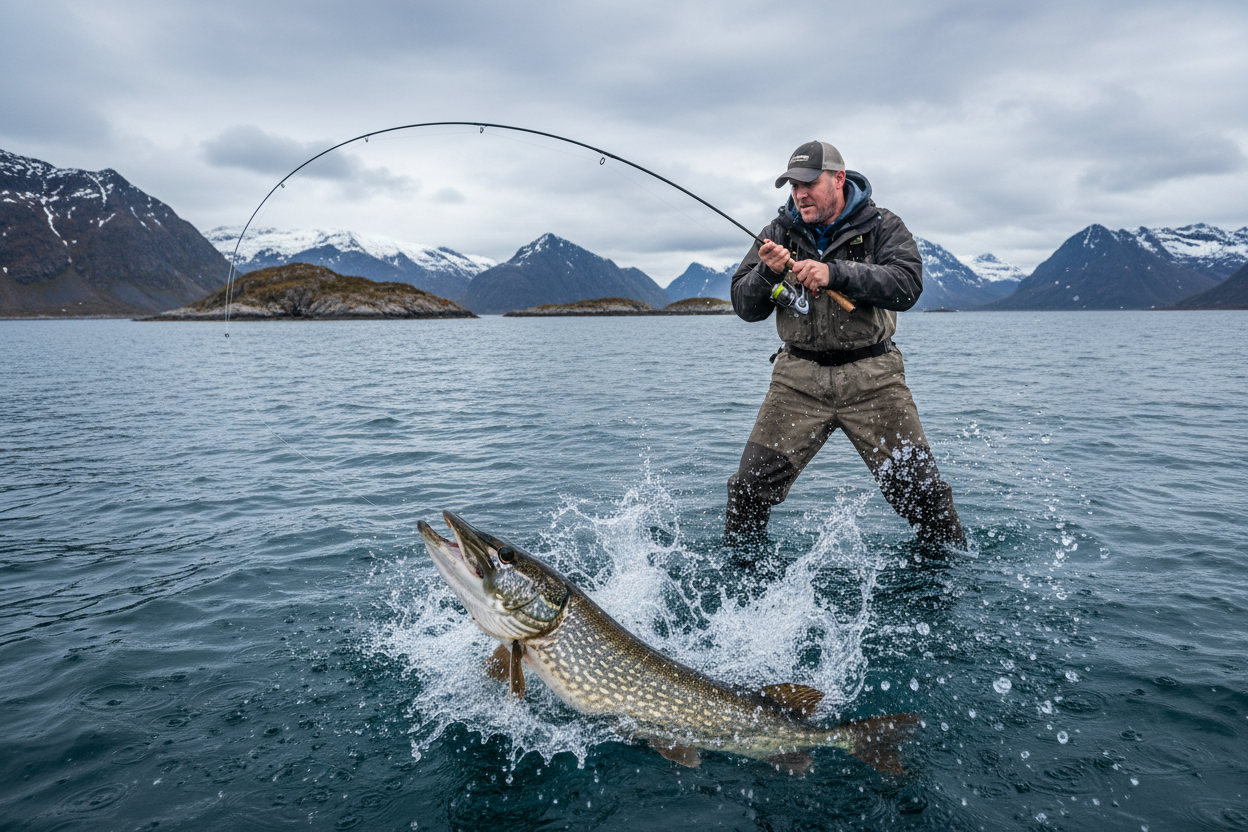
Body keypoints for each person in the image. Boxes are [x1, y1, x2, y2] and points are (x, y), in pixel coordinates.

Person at [726, 140, 965, 548]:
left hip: (874, 380)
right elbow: (744, 307)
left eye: (808, 183)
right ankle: (742, 586)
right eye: (792, 185)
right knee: (747, 490)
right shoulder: (776, 232)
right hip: (796, 382)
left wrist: (835, 273)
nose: (799, 194)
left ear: (838, 179)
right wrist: (766, 274)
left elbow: (907, 286)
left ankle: (948, 588)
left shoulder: (883, 226)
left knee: (925, 498)